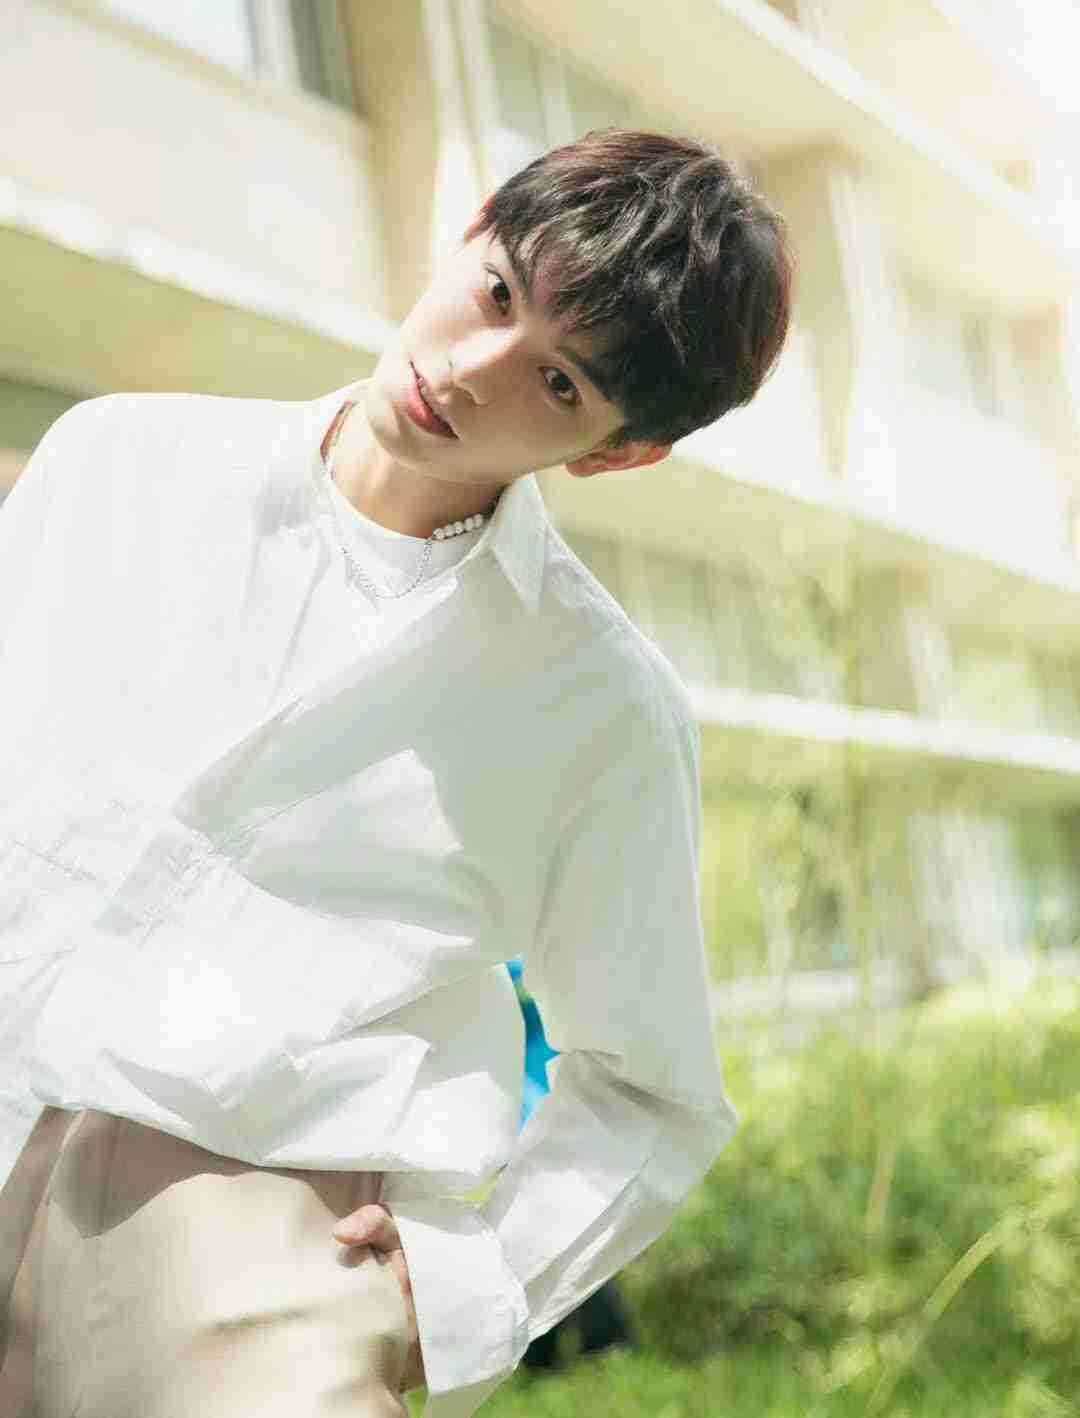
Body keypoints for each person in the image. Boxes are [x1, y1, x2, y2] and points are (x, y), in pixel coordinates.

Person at [0, 128, 790, 1418]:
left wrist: (469, 1284)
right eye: (496, 292)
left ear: (616, 452)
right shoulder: (116, 463)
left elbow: (653, 1087)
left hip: (250, 1266)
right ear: (469, 230)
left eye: (558, 381)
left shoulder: (600, 705)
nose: (469, 370)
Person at [505, 955, 638, 1372]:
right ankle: (554, 1354)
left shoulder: (527, 964)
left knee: (566, 1236)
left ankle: (577, 1349)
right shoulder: (519, 965)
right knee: (554, 1237)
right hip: (537, 1120)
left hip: (555, 1119)